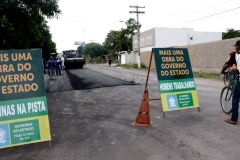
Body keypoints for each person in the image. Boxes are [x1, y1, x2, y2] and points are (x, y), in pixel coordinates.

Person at [221, 40, 240, 125]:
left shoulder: (235, 54)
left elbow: (226, 65)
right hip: (235, 72)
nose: (235, 47)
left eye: (236, 46)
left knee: (235, 98)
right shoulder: (234, 54)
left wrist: (222, 71)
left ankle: (233, 119)